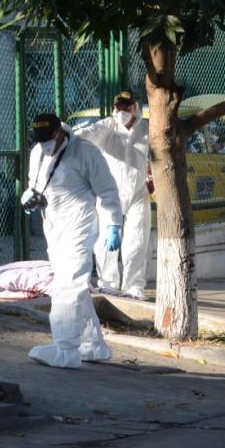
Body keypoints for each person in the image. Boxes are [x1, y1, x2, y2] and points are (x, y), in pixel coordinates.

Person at [22, 113, 123, 369]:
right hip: (54, 228)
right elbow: (35, 184)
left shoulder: (86, 152)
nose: (44, 145)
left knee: (67, 286)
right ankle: (94, 345)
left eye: (48, 139)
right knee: (76, 287)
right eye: (39, 140)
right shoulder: (37, 152)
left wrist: (113, 224)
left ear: (59, 132)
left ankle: (65, 350)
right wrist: (28, 197)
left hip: (80, 227)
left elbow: (108, 191)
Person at [74, 91, 151, 300]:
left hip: (138, 194)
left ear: (135, 107)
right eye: (118, 107)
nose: (122, 111)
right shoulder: (107, 126)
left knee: (137, 241)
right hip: (110, 194)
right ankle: (107, 284)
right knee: (105, 243)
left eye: (126, 107)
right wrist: (66, 134)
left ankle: (134, 286)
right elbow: (85, 133)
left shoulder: (146, 129)